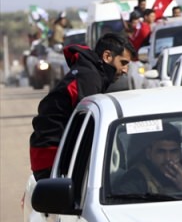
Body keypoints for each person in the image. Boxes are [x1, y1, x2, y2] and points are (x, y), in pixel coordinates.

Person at [29, 33, 135, 179]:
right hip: (53, 158)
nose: (125, 70)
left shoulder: (91, 73)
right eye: (123, 63)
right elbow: (88, 123)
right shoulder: (89, 78)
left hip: (58, 154)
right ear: (107, 56)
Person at [114, 124, 182, 193]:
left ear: (180, 153)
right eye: (161, 152)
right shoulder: (135, 178)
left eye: (173, 151)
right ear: (149, 153)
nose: (168, 158)